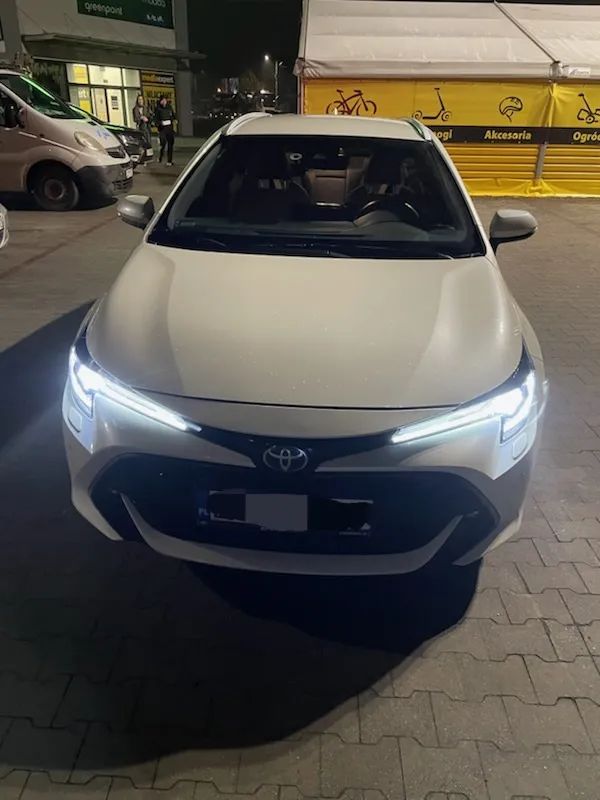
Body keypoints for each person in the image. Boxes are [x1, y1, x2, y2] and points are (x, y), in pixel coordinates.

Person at [154, 95, 176, 166]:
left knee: (170, 144)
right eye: (162, 100)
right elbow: (155, 120)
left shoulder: (169, 107)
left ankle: (169, 160)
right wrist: (160, 123)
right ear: (160, 101)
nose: (163, 102)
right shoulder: (158, 109)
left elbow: (173, 115)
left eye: (165, 100)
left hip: (169, 128)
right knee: (163, 144)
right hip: (162, 129)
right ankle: (160, 157)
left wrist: (174, 120)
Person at [132, 94, 152, 161]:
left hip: (147, 127)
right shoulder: (135, 109)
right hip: (140, 127)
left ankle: (148, 157)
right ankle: (142, 158)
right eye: (139, 99)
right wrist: (141, 117)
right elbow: (135, 119)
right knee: (141, 143)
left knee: (148, 142)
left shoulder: (146, 108)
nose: (140, 101)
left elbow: (150, 116)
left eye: (141, 99)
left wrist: (147, 118)